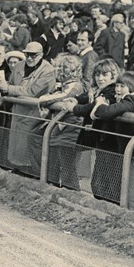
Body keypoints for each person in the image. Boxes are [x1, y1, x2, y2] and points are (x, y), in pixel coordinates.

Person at [92, 71, 134, 213]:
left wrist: (100, 103)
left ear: (131, 86)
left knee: (133, 196)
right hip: (131, 152)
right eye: (117, 85)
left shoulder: (133, 99)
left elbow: (107, 112)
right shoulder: (128, 99)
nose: (118, 89)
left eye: (122, 86)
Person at [63, 59, 120, 204]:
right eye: (97, 75)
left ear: (113, 75)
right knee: (99, 184)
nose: (100, 78)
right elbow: (86, 99)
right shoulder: (97, 91)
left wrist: (73, 108)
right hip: (102, 141)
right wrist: (75, 99)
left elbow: (92, 107)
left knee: (107, 185)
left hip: (111, 142)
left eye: (104, 74)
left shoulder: (112, 91)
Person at [0, 41, 56, 174]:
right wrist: (4, 87)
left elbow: (33, 91)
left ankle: (33, 174)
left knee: (29, 146)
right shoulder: (19, 66)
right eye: (27, 55)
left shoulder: (48, 70)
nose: (29, 58)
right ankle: (18, 170)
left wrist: (9, 89)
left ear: (41, 55)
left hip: (34, 114)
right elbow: (11, 83)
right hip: (18, 112)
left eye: (33, 55)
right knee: (16, 147)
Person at [32, 54, 85, 189]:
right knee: (53, 161)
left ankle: (71, 193)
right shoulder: (64, 84)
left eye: (66, 68)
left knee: (66, 165)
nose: (62, 71)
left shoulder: (76, 85)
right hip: (60, 126)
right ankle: (52, 187)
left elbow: (66, 96)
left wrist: (44, 99)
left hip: (70, 128)